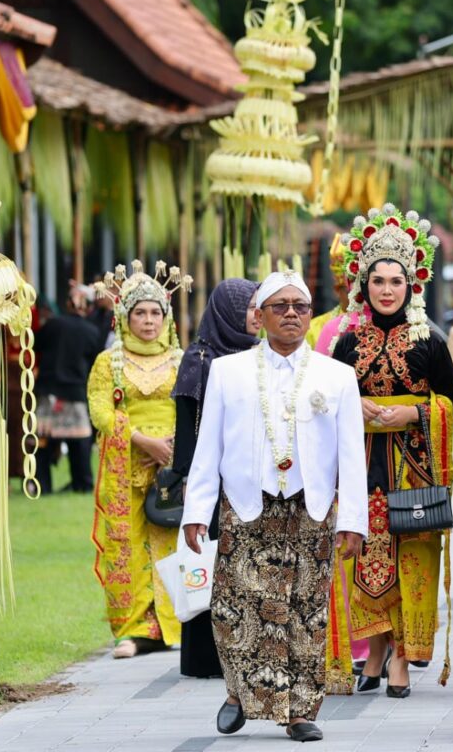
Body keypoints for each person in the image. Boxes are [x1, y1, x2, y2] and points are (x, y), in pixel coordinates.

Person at [182, 270, 367, 743]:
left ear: (309, 314)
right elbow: (208, 448)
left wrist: (353, 521)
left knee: (305, 609)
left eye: (299, 306)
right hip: (247, 505)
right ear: (259, 316)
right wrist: (196, 511)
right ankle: (239, 693)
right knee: (234, 608)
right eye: (279, 306)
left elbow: (351, 457)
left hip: (311, 508)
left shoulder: (338, 376)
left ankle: (299, 711)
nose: (290, 314)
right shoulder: (227, 371)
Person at [330, 205, 453, 698]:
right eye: (378, 280)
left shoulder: (430, 341)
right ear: (363, 285)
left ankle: (403, 655)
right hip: (362, 467)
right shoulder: (345, 344)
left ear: (412, 285)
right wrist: (353, 406)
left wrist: (415, 414)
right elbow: (325, 402)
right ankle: (377, 651)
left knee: (411, 558)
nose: (387, 290)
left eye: (396, 281)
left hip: (414, 470)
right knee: (366, 558)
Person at [88, 261, 190, 659]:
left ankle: (178, 623)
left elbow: (193, 411)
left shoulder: (182, 361)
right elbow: (100, 411)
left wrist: (173, 448)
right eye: (139, 313)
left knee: (174, 540)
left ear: (166, 317)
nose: (148, 321)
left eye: (155, 312)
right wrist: (142, 440)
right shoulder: (107, 363)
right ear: (123, 318)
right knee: (125, 546)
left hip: (173, 463)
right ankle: (133, 630)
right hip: (127, 463)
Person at [169, 278, 259, 679]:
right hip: (213, 478)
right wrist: (190, 479)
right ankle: (206, 658)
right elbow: (188, 425)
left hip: (249, 474)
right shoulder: (200, 360)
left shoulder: (262, 355)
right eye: (251, 307)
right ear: (228, 311)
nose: (259, 315)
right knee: (209, 563)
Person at [34, 286, 102, 494]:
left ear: (66, 304)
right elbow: (95, 363)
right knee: (80, 442)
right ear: (88, 308)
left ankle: (41, 485)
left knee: (42, 441)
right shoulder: (92, 332)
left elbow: (37, 346)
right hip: (76, 392)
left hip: (49, 392)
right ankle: (82, 483)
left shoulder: (52, 325)